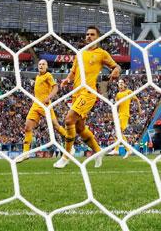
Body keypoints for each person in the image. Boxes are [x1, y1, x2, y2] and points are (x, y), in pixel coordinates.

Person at [53, 26, 121, 169]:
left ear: (98, 37)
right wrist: (67, 80)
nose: (88, 36)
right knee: (79, 128)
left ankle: (66, 155)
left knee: (68, 119)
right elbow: (73, 72)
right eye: (87, 34)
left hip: (89, 93)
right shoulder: (80, 53)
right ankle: (98, 152)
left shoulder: (101, 53)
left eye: (92, 34)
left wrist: (115, 71)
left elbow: (117, 67)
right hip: (76, 93)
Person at [17, 59, 68, 163]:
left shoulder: (48, 75)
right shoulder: (38, 76)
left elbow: (56, 87)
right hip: (36, 105)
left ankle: (70, 141)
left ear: (47, 66)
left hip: (45, 105)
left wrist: (48, 97)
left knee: (56, 126)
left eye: (43, 64)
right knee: (27, 127)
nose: (41, 65)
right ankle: (25, 153)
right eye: (39, 64)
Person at [108, 79, 141, 159]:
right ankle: (128, 150)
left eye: (122, 83)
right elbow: (116, 105)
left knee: (118, 132)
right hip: (119, 115)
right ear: (118, 85)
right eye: (119, 83)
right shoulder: (118, 94)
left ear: (124, 84)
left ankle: (117, 150)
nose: (121, 84)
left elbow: (136, 100)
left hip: (125, 115)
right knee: (119, 133)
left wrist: (139, 109)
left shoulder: (128, 92)